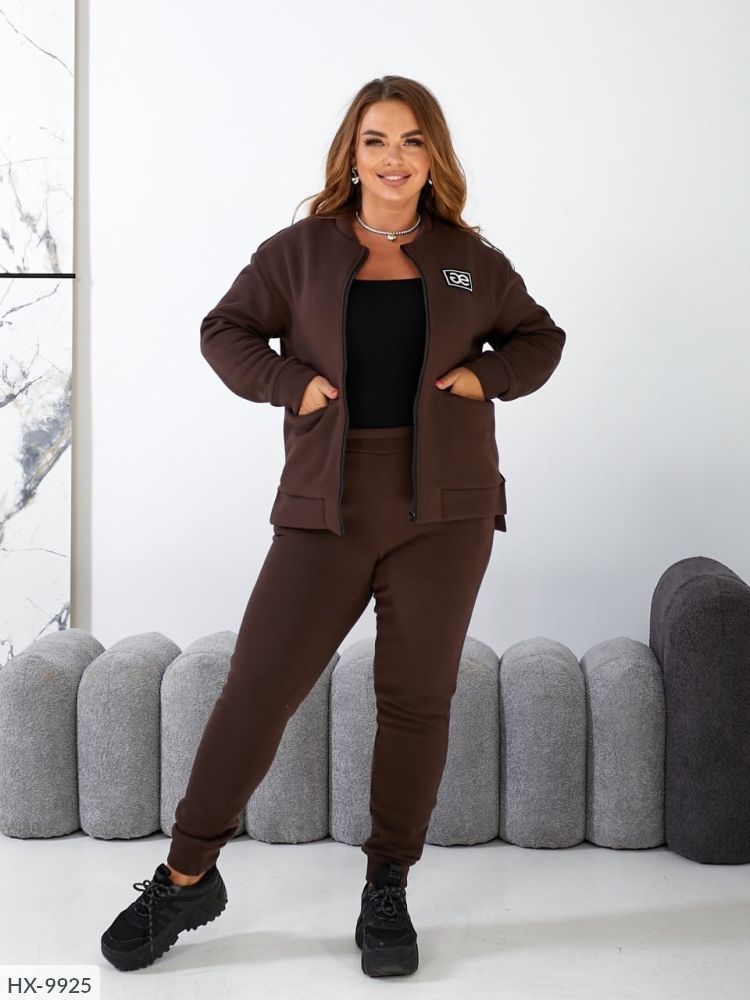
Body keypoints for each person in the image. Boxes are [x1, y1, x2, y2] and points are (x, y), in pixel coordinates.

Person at [101, 74, 566, 978]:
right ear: (351, 155)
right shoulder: (298, 253)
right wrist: (291, 384)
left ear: (434, 157)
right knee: (256, 689)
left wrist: (486, 377)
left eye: (413, 141)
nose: (395, 159)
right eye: (376, 140)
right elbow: (225, 330)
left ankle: (387, 884)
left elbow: (539, 338)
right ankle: (186, 875)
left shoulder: (470, 259)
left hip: (448, 513)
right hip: (327, 507)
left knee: (417, 700)